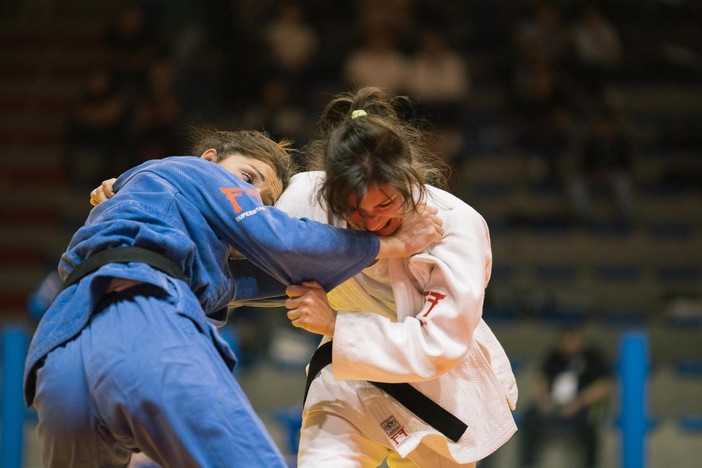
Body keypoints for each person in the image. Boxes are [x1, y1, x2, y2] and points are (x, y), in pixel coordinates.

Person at [25, 128, 443, 468]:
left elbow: (271, 278)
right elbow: (281, 241)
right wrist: (392, 245)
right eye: (247, 179)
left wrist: (355, 274)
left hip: (60, 346)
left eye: (264, 201)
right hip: (141, 312)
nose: (251, 199)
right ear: (210, 160)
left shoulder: (191, 245)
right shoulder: (193, 172)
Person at [264, 87, 518, 466]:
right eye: (354, 211)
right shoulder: (305, 201)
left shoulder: (455, 225)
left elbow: (438, 343)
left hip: (436, 394)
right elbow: (252, 246)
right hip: (345, 379)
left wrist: (334, 322)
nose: (373, 220)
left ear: (407, 178)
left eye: (385, 204)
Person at [518, 327, 613, 468]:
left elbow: (603, 386)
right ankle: (529, 462)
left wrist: (579, 402)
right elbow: (541, 379)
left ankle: (591, 464)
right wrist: (543, 398)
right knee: (530, 417)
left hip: (583, 406)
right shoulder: (554, 356)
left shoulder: (592, 358)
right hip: (554, 404)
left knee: (591, 423)